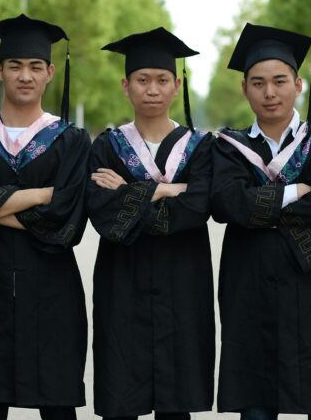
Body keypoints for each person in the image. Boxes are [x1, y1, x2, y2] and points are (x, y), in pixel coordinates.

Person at [0, 14, 90, 420]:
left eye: (35, 67)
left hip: (50, 289)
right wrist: (41, 194)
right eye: (15, 66)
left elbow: (66, 218)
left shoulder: (71, 140)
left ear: (49, 73)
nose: (25, 76)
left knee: (57, 403)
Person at [210, 23, 311, 420]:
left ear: (298, 85)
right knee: (256, 404)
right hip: (248, 287)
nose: (269, 92)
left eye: (279, 81)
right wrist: (294, 193)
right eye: (258, 83)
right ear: (244, 89)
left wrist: (258, 207)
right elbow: (227, 205)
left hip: (309, 284)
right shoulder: (230, 146)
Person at [87, 27, 215, 420]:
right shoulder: (106, 146)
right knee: (121, 397)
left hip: (183, 282)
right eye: (142, 80)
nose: (153, 90)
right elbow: (104, 214)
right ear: (126, 86)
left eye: (162, 80)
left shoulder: (201, 147)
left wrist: (129, 192)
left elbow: (198, 207)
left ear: (177, 85)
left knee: (176, 403)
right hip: (122, 284)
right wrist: (167, 190)